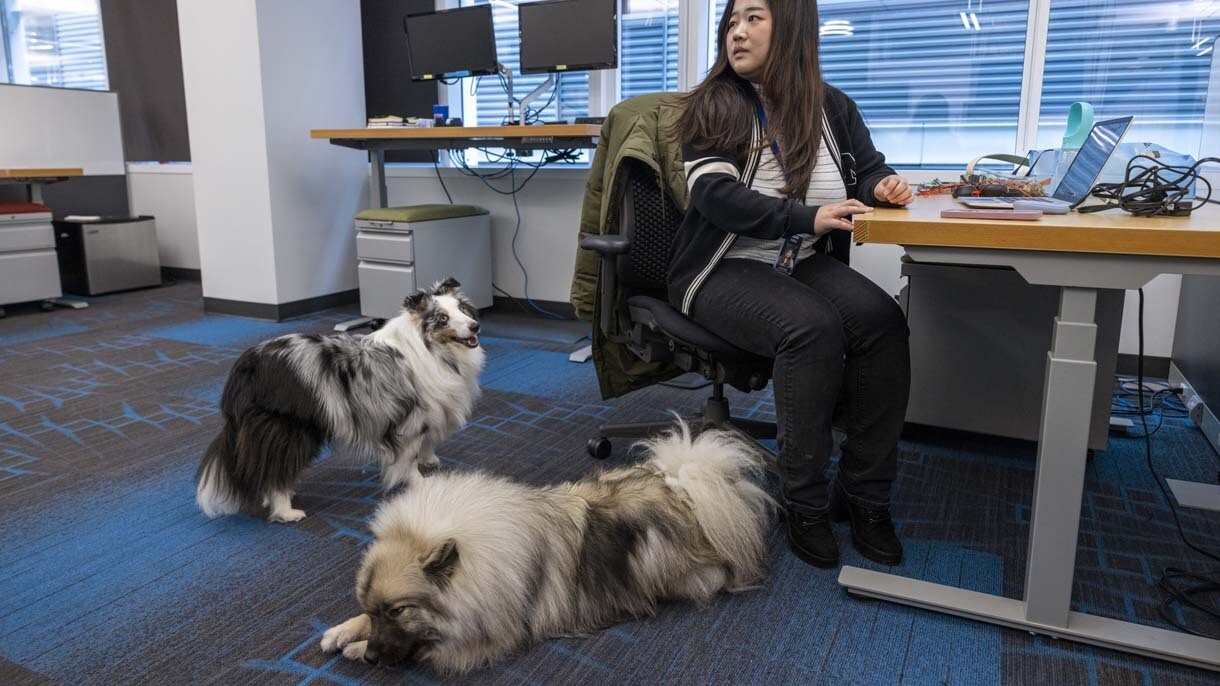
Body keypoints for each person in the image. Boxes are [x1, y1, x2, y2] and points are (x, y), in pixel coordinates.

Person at [669, 0, 915, 568]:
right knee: (811, 328)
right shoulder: (715, 105)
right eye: (731, 21)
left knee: (882, 322)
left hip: (795, 259)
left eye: (754, 17)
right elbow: (715, 195)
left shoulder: (832, 107)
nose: (738, 31)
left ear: (793, 26)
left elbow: (869, 166)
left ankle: (865, 496)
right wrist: (806, 218)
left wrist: (886, 186)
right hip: (721, 265)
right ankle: (803, 500)